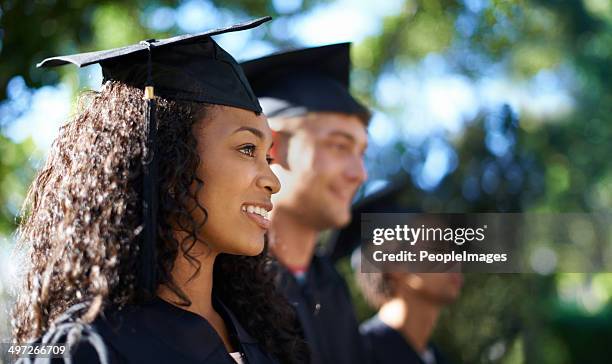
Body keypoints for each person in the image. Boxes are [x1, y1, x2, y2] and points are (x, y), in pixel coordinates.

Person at [11, 17, 308, 364]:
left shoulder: (269, 341)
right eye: (247, 149)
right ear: (167, 157)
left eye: (268, 157)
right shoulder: (89, 348)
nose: (273, 180)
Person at [241, 43, 370, 364]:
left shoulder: (333, 289)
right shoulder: (224, 280)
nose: (360, 174)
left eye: (362, 153)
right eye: (340, 146)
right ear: (273, 145)